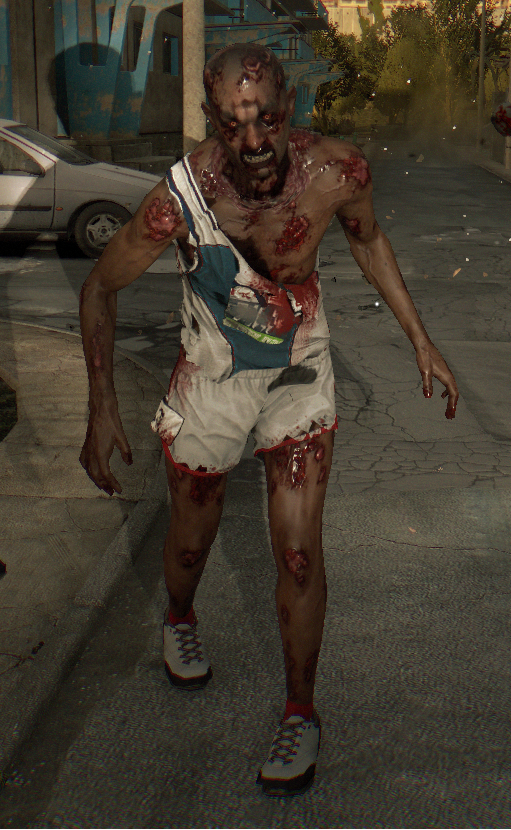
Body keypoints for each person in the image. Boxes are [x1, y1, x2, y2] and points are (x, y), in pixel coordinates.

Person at [79, 44, 458, 798]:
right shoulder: (181, 197)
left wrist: (421, 339)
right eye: (231, 124)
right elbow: (99, 286)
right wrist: (101, 404)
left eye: (267, 120)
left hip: (298, 368)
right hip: (212, 369)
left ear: (291, 107)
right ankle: (179, 615)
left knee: (299, 554)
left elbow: (367, 240)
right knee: (191, 536)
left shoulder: (337, 172)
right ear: (209, 119)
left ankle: (300, 713)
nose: (252, 142)